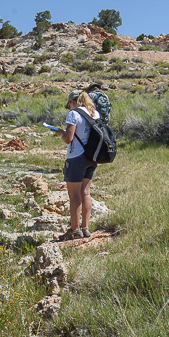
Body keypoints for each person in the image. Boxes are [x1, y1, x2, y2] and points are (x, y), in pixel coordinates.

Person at [52, 90, 100, 240]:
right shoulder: (95, 113)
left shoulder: (73, 114)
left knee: (74, 195)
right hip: (92, 157)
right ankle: (85, 228)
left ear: (72, 101)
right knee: (85, 193)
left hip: (76, 157)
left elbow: (68, 138)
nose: (69, 106)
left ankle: (75, 229)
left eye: (69, 104)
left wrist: (61, 133)